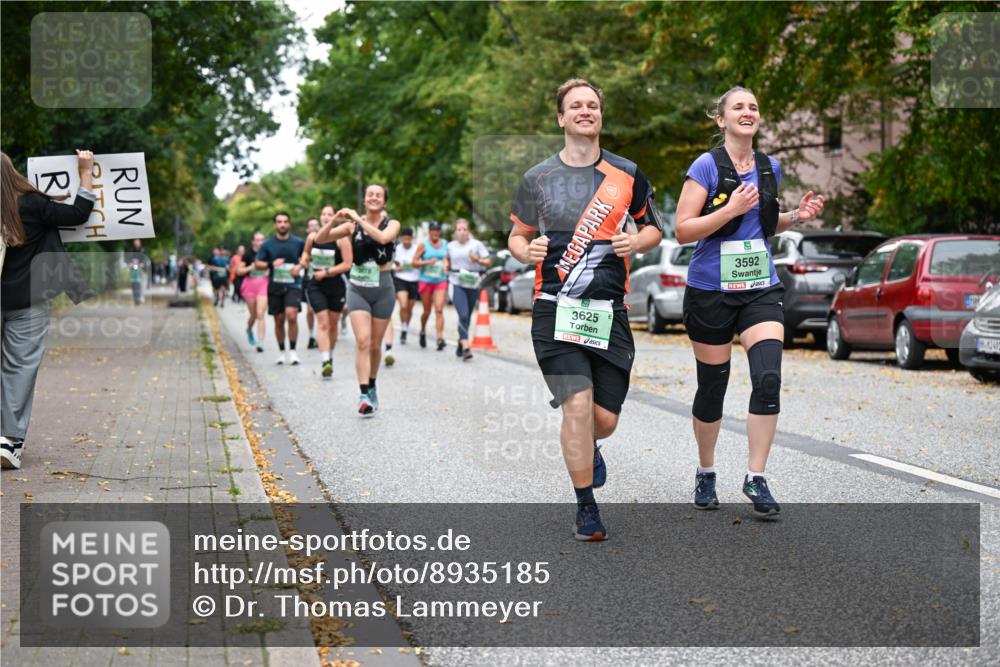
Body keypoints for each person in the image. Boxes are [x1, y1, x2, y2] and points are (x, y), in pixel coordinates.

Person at [507, 79, 662, 541]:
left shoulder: (627, 172)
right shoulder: (536, 179)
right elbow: (516, 235)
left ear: (600, 115)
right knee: (577, 405)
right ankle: (586, 506)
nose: (585, 111)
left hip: (608, 311)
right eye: (576, 105)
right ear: (561, 118)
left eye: (592, 105)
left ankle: (589, 445)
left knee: (603, 419)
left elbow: (653, 229)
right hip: (554, 308)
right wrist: (525, 251)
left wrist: (636, 240)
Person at [675, 86, 825, 517]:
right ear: (721, 119)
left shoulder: (768, 166)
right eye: (738, 107)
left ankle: (756, 477)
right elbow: (684, 230)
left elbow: (761, 225)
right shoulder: (707, 166)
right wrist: (729, 209)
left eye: (754, 107)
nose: (748, 112)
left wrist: (796, 217)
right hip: (710, 291)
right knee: (713, 385)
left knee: (768, 378)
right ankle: (706, 471)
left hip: (760, 287)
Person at [1, 149, 97, 470]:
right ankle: (9, 443)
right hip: (28, 303)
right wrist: (85, 172)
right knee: (19, 369)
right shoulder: (31, 204)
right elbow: (77, 213)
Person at [314, 184, 400, 417]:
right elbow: (320, 239)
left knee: (375, 344)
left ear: (384, 201)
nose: (374, 198)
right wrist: (335, 221)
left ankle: (372, 384)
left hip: (383, 287)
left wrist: (358, 221)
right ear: (364, 200)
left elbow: (382, 238)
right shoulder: (351, 226)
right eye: (370, 194)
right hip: (358, 288)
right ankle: (363, 394)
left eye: (378, 195)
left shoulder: (392, 224)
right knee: (362, 340)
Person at [301, 206, 353, 379]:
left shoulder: (341, 239)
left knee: (333, 323)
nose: (326, 217)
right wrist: (303, 261)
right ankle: (325, 361)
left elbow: (347, 264)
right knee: (322, 322)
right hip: (316, 284)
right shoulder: (312, 237)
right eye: (323, 214)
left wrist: (327, 272)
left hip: (335, 284)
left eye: (330, 214)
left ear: (335, 218)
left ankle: (330, 354)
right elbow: (306, 253)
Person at [255, 212, 306, 365]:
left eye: (285, 222)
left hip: (293, 284)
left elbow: (307, 257)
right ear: (275, 225)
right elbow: (258, 263)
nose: (282, 224)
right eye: (279, 222)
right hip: (275, 286)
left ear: (289, 224)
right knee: (279, 320)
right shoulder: (268, 244)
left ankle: (293, 351)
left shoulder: (298, 242)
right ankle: (281, 351)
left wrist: (300, 266)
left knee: (291, 315)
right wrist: (271, 264)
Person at [447, 218, 491, 360]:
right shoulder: (451, 246)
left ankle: (461, 340)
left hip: (472, 282)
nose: (462, 232)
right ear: (455, 232)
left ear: (468, 231)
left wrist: (477, 259)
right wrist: (445, 265)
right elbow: (445, 259)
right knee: (463, 314)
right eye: (459, 229)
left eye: (464, 229)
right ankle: (466, 347)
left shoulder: (476, 244)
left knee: (467, 315)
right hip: (456, 282)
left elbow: (488, 262)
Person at [414, 221, 448, 350]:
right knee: (427, 311)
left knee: (439, 309)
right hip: (426, 280)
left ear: (439, 231)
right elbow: (414, 262)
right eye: (433, 230)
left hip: (440, 279)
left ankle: (440, 338)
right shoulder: (423, 244)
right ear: (429, 231)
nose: (435, 232)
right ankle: (422, 330)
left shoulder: (445, 244)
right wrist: (428, 262)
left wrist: (445, 264)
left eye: (437, 230)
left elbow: (446, 258)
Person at [237, 232, 268, 352]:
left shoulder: (267, 253)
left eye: (262, 239)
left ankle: (260, 342)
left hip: (263, 284)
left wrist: (268, 271)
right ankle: (249, 329)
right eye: (258, 240)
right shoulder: (247, 255)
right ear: (253, 242)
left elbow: (272, 267)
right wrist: (251, 267)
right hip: (250, 285)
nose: (260, 242)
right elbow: (239, 271)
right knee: (254, 315)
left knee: (260, 313)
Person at [391, 227, 420, 345]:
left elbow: (420, 263)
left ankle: (405, 327)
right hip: (401, 279)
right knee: (403, 305)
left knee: (409, 308)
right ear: (402, 238)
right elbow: (391, 264)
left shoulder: (417, 249)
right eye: (405, 239)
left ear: (412, 238)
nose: (407, 241)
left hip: (414, 280)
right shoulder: (397, 249)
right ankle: (403, 327)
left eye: (409, 239)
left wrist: (415, 265)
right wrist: (396, 268)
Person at [303, 217, 321, 349]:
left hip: (327, 279)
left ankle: (323, 333)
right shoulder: (305, 244)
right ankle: (311, 335)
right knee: (310, 310)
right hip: (310, 279)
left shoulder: (327, 241)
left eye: (316, 225)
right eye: (311, 225)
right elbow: (301, 259)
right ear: (307, 229)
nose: (314, 228)